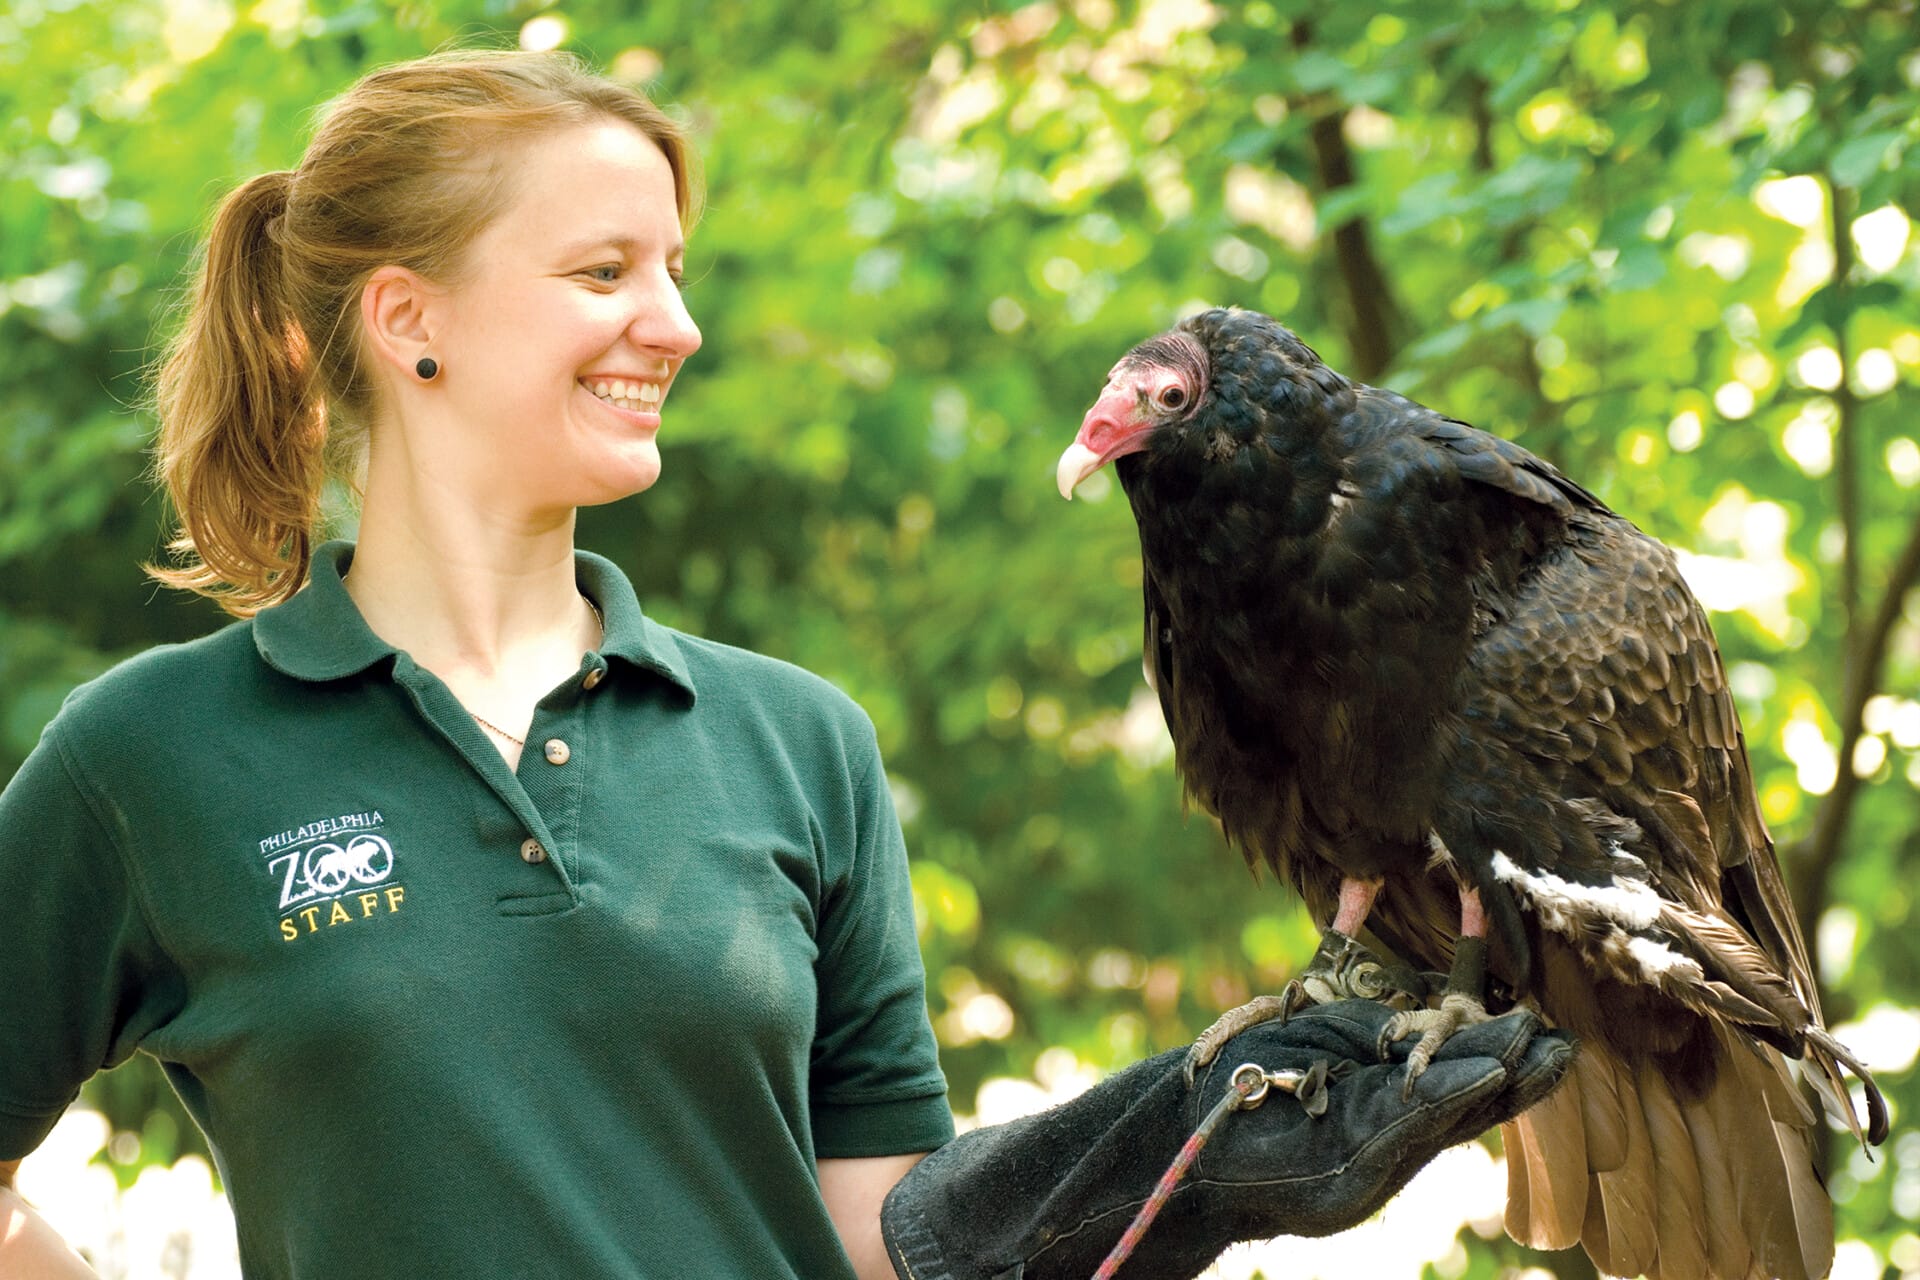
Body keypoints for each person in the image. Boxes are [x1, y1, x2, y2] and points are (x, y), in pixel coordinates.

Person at [0, 49, 1570, 1280]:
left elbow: (885, 1230)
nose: (673, 322)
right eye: (605, 272)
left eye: (674, 268)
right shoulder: (154, 756)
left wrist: (1181, 1159)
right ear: (412, 319)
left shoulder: (793, 743)